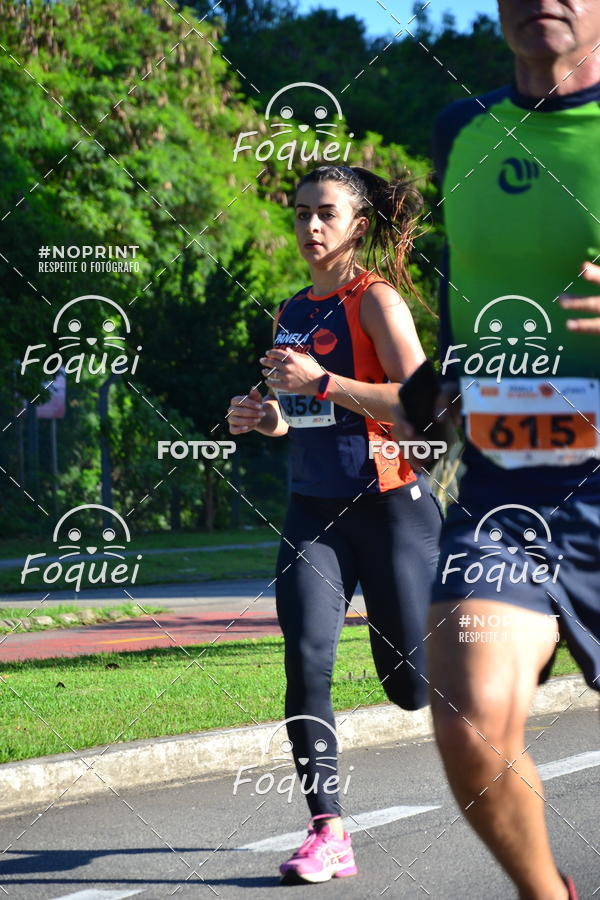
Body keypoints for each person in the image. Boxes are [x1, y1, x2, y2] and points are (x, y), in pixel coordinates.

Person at [398, 3, 600, 898]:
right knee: (473, 714)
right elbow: (477, 274)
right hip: (505, 477)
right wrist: (445, 374)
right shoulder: (460, 129)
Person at [227, 164, 442, 885]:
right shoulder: (291, 308)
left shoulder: (375, 301)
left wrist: (320, 381)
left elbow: (421, 410)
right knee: (307, 656)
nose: (310, 227)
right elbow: (304, 415)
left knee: (411, 688)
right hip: (312, 513)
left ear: (356, 226)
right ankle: (328, 831)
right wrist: (267, 417)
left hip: (391, 510)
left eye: (325, 214)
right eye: (299, 214)